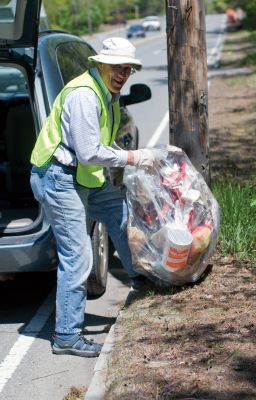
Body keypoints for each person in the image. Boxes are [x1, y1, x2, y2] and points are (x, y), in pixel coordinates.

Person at [30, 37, 156, 358]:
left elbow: (101, 144)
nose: (123, 73)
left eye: (128, 68)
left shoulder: (107, 93)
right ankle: (67, 335)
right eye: (117, 67)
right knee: (79, 255)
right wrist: (132, 158)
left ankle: (141, 278)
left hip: (84, 175)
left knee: (121, 215)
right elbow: (88, 152)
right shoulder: (85, 96)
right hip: (58, 176)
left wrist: (128, 155)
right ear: (100, 64)